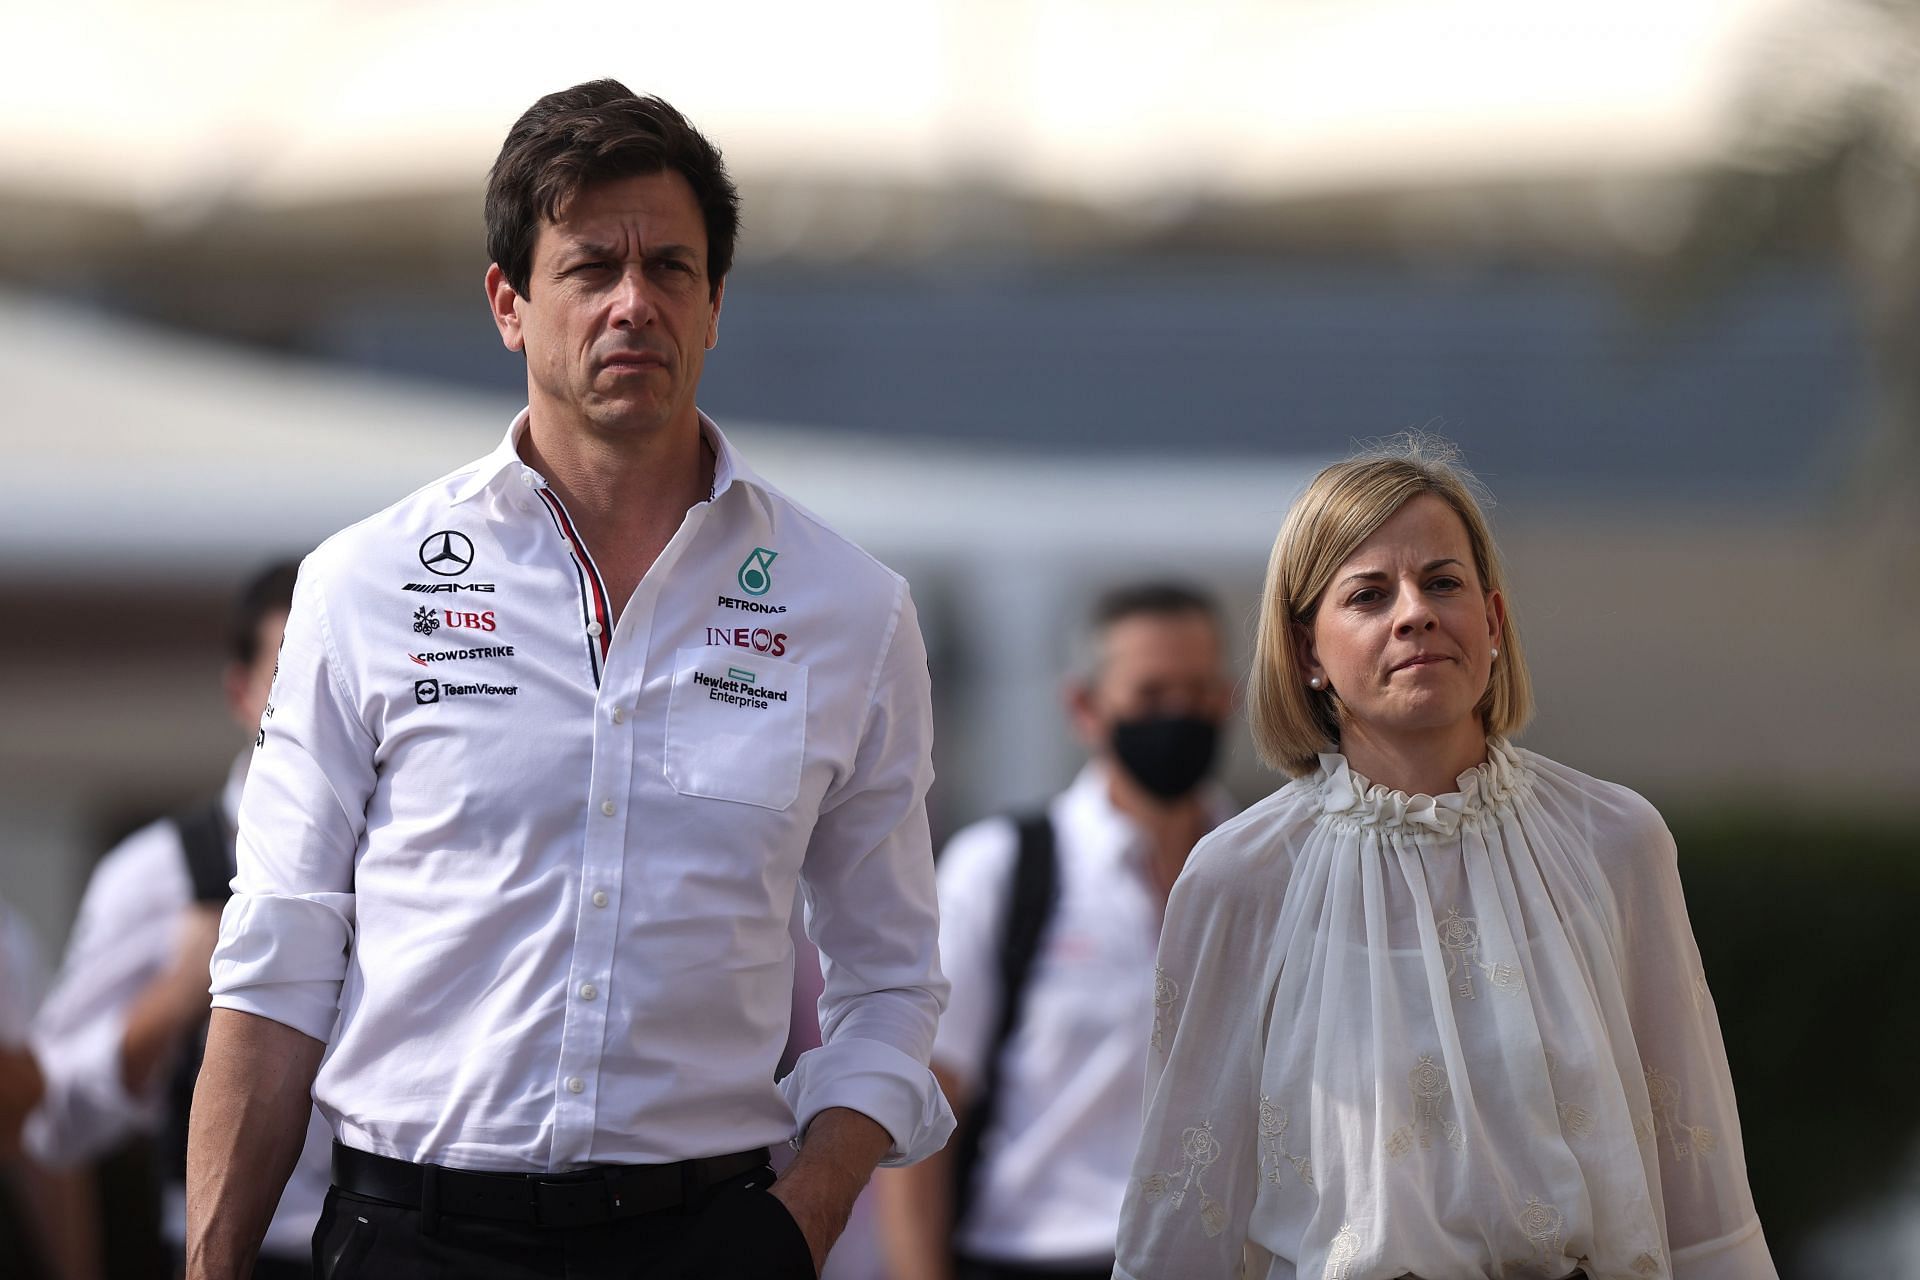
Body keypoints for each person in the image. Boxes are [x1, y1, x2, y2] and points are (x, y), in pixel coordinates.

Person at [185, 81, 951, 1280]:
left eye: (672, 269)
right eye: (591, 266)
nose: (633, 303)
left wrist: (804, 1210)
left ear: (715, 306)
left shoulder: (849, 607)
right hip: (408, 1238)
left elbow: (894, 977)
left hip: (708, 1237)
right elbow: (278, 958)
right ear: (510, 302)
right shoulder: (363, 582)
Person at [1114, 439, 1776, 1279]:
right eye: (1367, 594)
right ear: (1308, 650)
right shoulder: (1240, 877)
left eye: (1443, 582)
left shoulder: (1614, 840)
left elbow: (1698, 1173)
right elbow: (1185, 1205)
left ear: (1493, 622)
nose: (1414, 613)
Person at [877, 583, 1235, 1280]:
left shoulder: (1268, 870)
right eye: (1152, 695)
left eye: (1199, 693)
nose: (1180, 716)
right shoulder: (1003, 872)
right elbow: (921, 1114)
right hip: (1035, 1256)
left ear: (1229, 700)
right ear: (1084, 706)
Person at [5, 562, 329, 1280]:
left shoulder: (417, 856)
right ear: (240, 692)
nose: (319, 706)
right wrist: (170, 1005)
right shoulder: (158, 873)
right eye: (290, 678)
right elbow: (48, 1121)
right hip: (229, 1253)